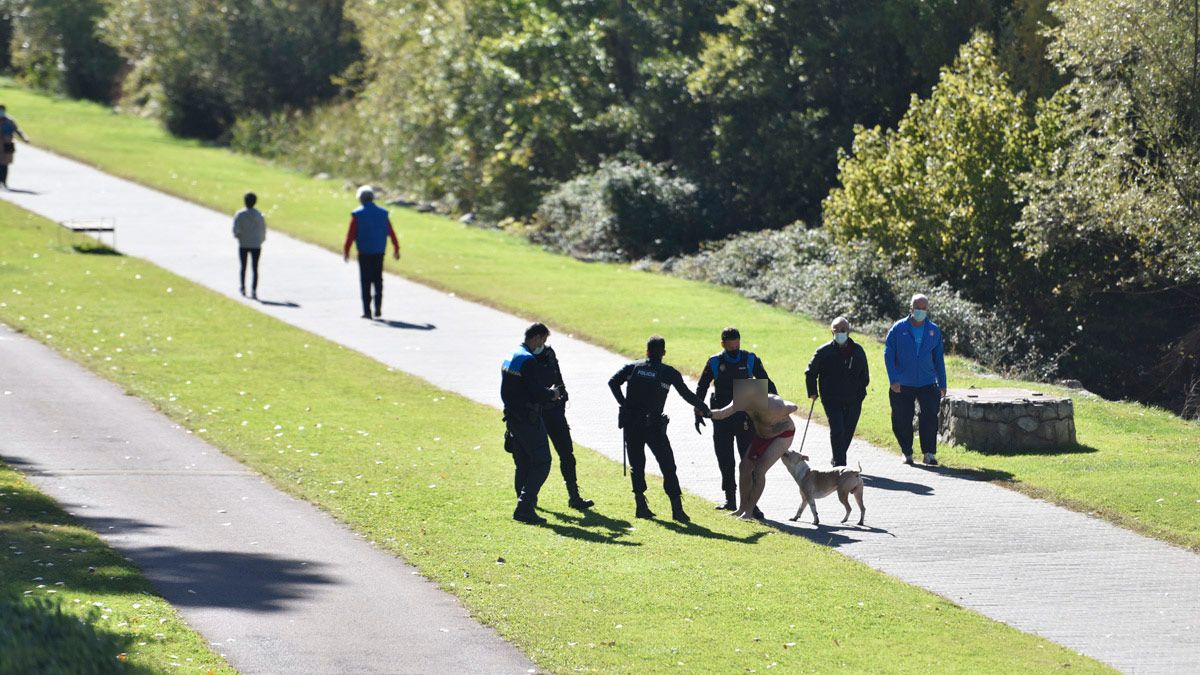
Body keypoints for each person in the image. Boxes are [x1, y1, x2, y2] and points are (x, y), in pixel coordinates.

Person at [608, 336, 710, 522]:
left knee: (637, 465)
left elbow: (613, 382)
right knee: (668, 466)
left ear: (647, 351)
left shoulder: (634, 367)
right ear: (663, 353)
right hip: (654, 426)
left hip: (633, 424)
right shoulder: (668, 372)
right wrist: (703, 408)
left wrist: (624, 405)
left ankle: (641, 505)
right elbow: (686, 394)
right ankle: (677, 509)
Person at [694, 327, 776, 512]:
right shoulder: (714, 362)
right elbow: (702, 387)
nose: (734, 349)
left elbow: (766, 382)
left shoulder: (750, 358)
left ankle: (751, 504)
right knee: (725, 459)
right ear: (722, 344)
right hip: (721, 418)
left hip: (745, 417)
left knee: (748, 460)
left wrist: (775, 408)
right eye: (730, 346)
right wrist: (697, 410)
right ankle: (730, 499)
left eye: (737, 345)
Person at [501, 323, 563, 525]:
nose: (543, 346)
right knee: (542, 461)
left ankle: (523, 501)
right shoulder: (528, 360)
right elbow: (536, 392)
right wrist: (552, 394)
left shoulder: (512, 355)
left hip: (513, 417)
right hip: (527, 418)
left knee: (523, 462)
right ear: (535, 338)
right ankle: (525, 506)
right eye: (543, 341)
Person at [711, 379, 799, 520]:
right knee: (744, 467)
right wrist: (705, 412)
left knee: (759, 470)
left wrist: (782, 421)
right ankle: (741, 508)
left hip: (782, 435)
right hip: (761, 435)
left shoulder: (775, 405)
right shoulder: (743, 398)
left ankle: (749, 512)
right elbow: (722, 413)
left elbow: (794, 407)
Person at [884, 294, 947, 466]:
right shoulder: (898, 328)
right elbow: (888, 354)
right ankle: (907, 452)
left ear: (927, 310)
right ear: (911, 308)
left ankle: (929, 453)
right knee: (902, 418)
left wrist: (942, 383)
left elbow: (939, 358)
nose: (920, 311)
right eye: (917, 307)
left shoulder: (933, 330)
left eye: (923, 308)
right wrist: (893, 379)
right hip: (902, 383)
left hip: (927, 381)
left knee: (929, 418)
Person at [534, 334, 595, 510]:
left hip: (555, 413)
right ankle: (529, 497)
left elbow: (558, 376)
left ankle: (574, 496)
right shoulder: (527, 359)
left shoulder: (549, 354)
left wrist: (562, 395)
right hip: (538, 414)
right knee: (537, 457)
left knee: (567, 454)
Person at [804, 317, 870, 467]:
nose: (840, 333)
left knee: (848, 430)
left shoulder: (858, 351)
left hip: (854, 399)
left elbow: (865, 375)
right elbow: (810, 372)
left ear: (848, 331)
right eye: (836, 330)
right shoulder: (824, 352)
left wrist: (860, 392)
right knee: (837, 429)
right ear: (831, 332)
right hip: (831, 398)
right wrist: (812, 391)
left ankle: (837, 457)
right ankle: (840, 465)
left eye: (843, 330)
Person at [342, 186, 400, 319]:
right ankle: (378, 308)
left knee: (365, 281)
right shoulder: (383, 213)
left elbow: (350, 235)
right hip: (379, 252)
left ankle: (367, 311)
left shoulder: (357, 214)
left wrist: (346, 251)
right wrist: (396, 249)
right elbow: (391, 233)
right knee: (378, 280)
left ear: (360, 199)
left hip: (364, 252)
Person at [232, 192, 267, 298]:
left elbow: (236, 230)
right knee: (255, 267)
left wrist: (239, 237)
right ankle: (254, 289)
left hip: (244, 244)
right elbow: (263, 230)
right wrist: (260, 240)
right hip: (256, 244)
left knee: (243, 266)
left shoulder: (240, 214)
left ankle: (243, 287)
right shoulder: (259, 215)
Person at [0, 104, 31, 190]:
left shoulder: (9, 121)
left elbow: (17, 130)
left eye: (2, 110)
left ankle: (3, 182)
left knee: (5, 164)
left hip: (7, 144)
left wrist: (25, 138)